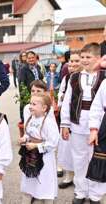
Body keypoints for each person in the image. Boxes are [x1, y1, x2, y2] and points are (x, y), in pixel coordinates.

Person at [60, 43, 106, 204]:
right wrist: (65, 124)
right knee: (79, 159)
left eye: (88, 57)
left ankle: (95, 195)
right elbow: (67, 102)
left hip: (99, 126)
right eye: (82, 58)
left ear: (98, 58)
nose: (85, 60)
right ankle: (80, 192)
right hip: (77, 124)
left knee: (97, 160)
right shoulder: (74, 77)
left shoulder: (104, 77)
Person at [19, 93, 59, 204]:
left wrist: (37, 146)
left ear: (44, 108)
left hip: (44, 158)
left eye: (34, 104)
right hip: (31, 156)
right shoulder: (31, 119)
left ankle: (47, 200)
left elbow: (53, 142)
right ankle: (29, 195)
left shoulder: (49, 122)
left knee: (44, 181)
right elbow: (29, 133)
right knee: (30, 180)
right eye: (30, 103)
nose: (30, 106)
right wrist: (25, 138)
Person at [56, 52, 82, 189]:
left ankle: (82, 179)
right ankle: (69, 176)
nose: (73, 64)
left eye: (76, 61)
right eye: (71, 61)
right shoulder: (66, 78)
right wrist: (62, 99)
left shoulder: (90, 77)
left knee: (82, 151)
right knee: (67, 147)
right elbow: (60, 93)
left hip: (82, 120)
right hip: (68, 118)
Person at [19, 51, 44, 122]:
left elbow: (41, 78)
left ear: (35, 58)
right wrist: (26, 98)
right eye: (29, 58)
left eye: (32, 57)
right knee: (29, 117)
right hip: (29, 96)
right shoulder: (23, 69)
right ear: (26, 59)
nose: (31, 59)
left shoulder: (38, 67)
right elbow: (22, 85)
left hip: (39, 95)